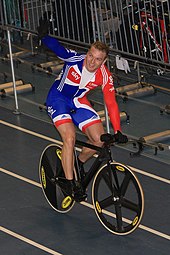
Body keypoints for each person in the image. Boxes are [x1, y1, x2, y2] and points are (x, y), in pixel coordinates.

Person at [37, 19, 128, 202]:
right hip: (59, 99)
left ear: (104, 61)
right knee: (69, 137)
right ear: (87, 53)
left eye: (98, 60)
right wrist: (44, 36)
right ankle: (69, 183)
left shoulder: (104, 75)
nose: (92, 62)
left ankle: (77, 163)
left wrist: (117, 130)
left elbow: (111, 103)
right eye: (91, 56)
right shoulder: (74, 59)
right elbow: (58, 48)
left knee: (99, 139)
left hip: (78, 101)